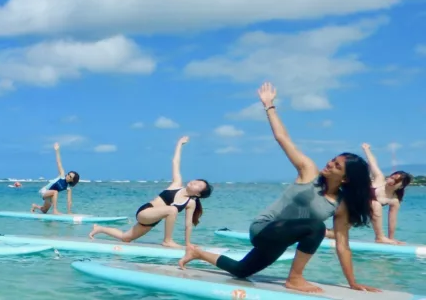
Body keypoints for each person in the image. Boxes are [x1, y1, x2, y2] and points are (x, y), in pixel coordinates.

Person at [179, 82, 380, 294]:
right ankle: (295, 278)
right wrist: (269, 106)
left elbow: (342, 245)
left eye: (337, 166)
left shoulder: (341, 205)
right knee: (317, 227)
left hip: (281, 239)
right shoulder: (309, 171)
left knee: (241, 271)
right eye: (333, 160)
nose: (329, 164)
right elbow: (283, 138)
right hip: (264, 229)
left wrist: (352, 283)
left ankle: (198, 253)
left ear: (346, 179)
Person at [89, 135, 212, 248]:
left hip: (153, 220)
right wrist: (179, 143)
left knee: (125, 238)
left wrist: (188, 244)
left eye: (199, 185)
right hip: (145, 212)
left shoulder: (191, 203)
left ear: (198, 194)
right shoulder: (177, 184)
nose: (195, 182)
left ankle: (99, 228)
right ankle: (167, 241)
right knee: (172, 209)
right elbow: (175, 162)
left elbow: (188, 225)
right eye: (197, 180)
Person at [324, 143, 413, 245]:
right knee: (376, 205)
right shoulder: (380, 179)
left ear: (401, 186)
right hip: (350, 202)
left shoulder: (394, 200)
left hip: (358, 212)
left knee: (335, 234)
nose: (391, 180)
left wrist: (391, 238)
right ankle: (379, 237)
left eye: (396, 180)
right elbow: (373, 163)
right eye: (392, 177)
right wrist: (366, 149)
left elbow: (392, 220)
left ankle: (313, 230)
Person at [30, 142, 80, 214]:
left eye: (70, 176)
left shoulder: (68, 187)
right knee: (55, 191)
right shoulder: (62, 175)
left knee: (44, 210)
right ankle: (55, 210)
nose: (68, 175)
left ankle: (34, 206)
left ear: (72, 180)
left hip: (51, 196)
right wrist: (57, 150)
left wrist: (69, 212)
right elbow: (58, 162)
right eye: (68, 174)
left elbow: (69, 200)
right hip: (44, 191)